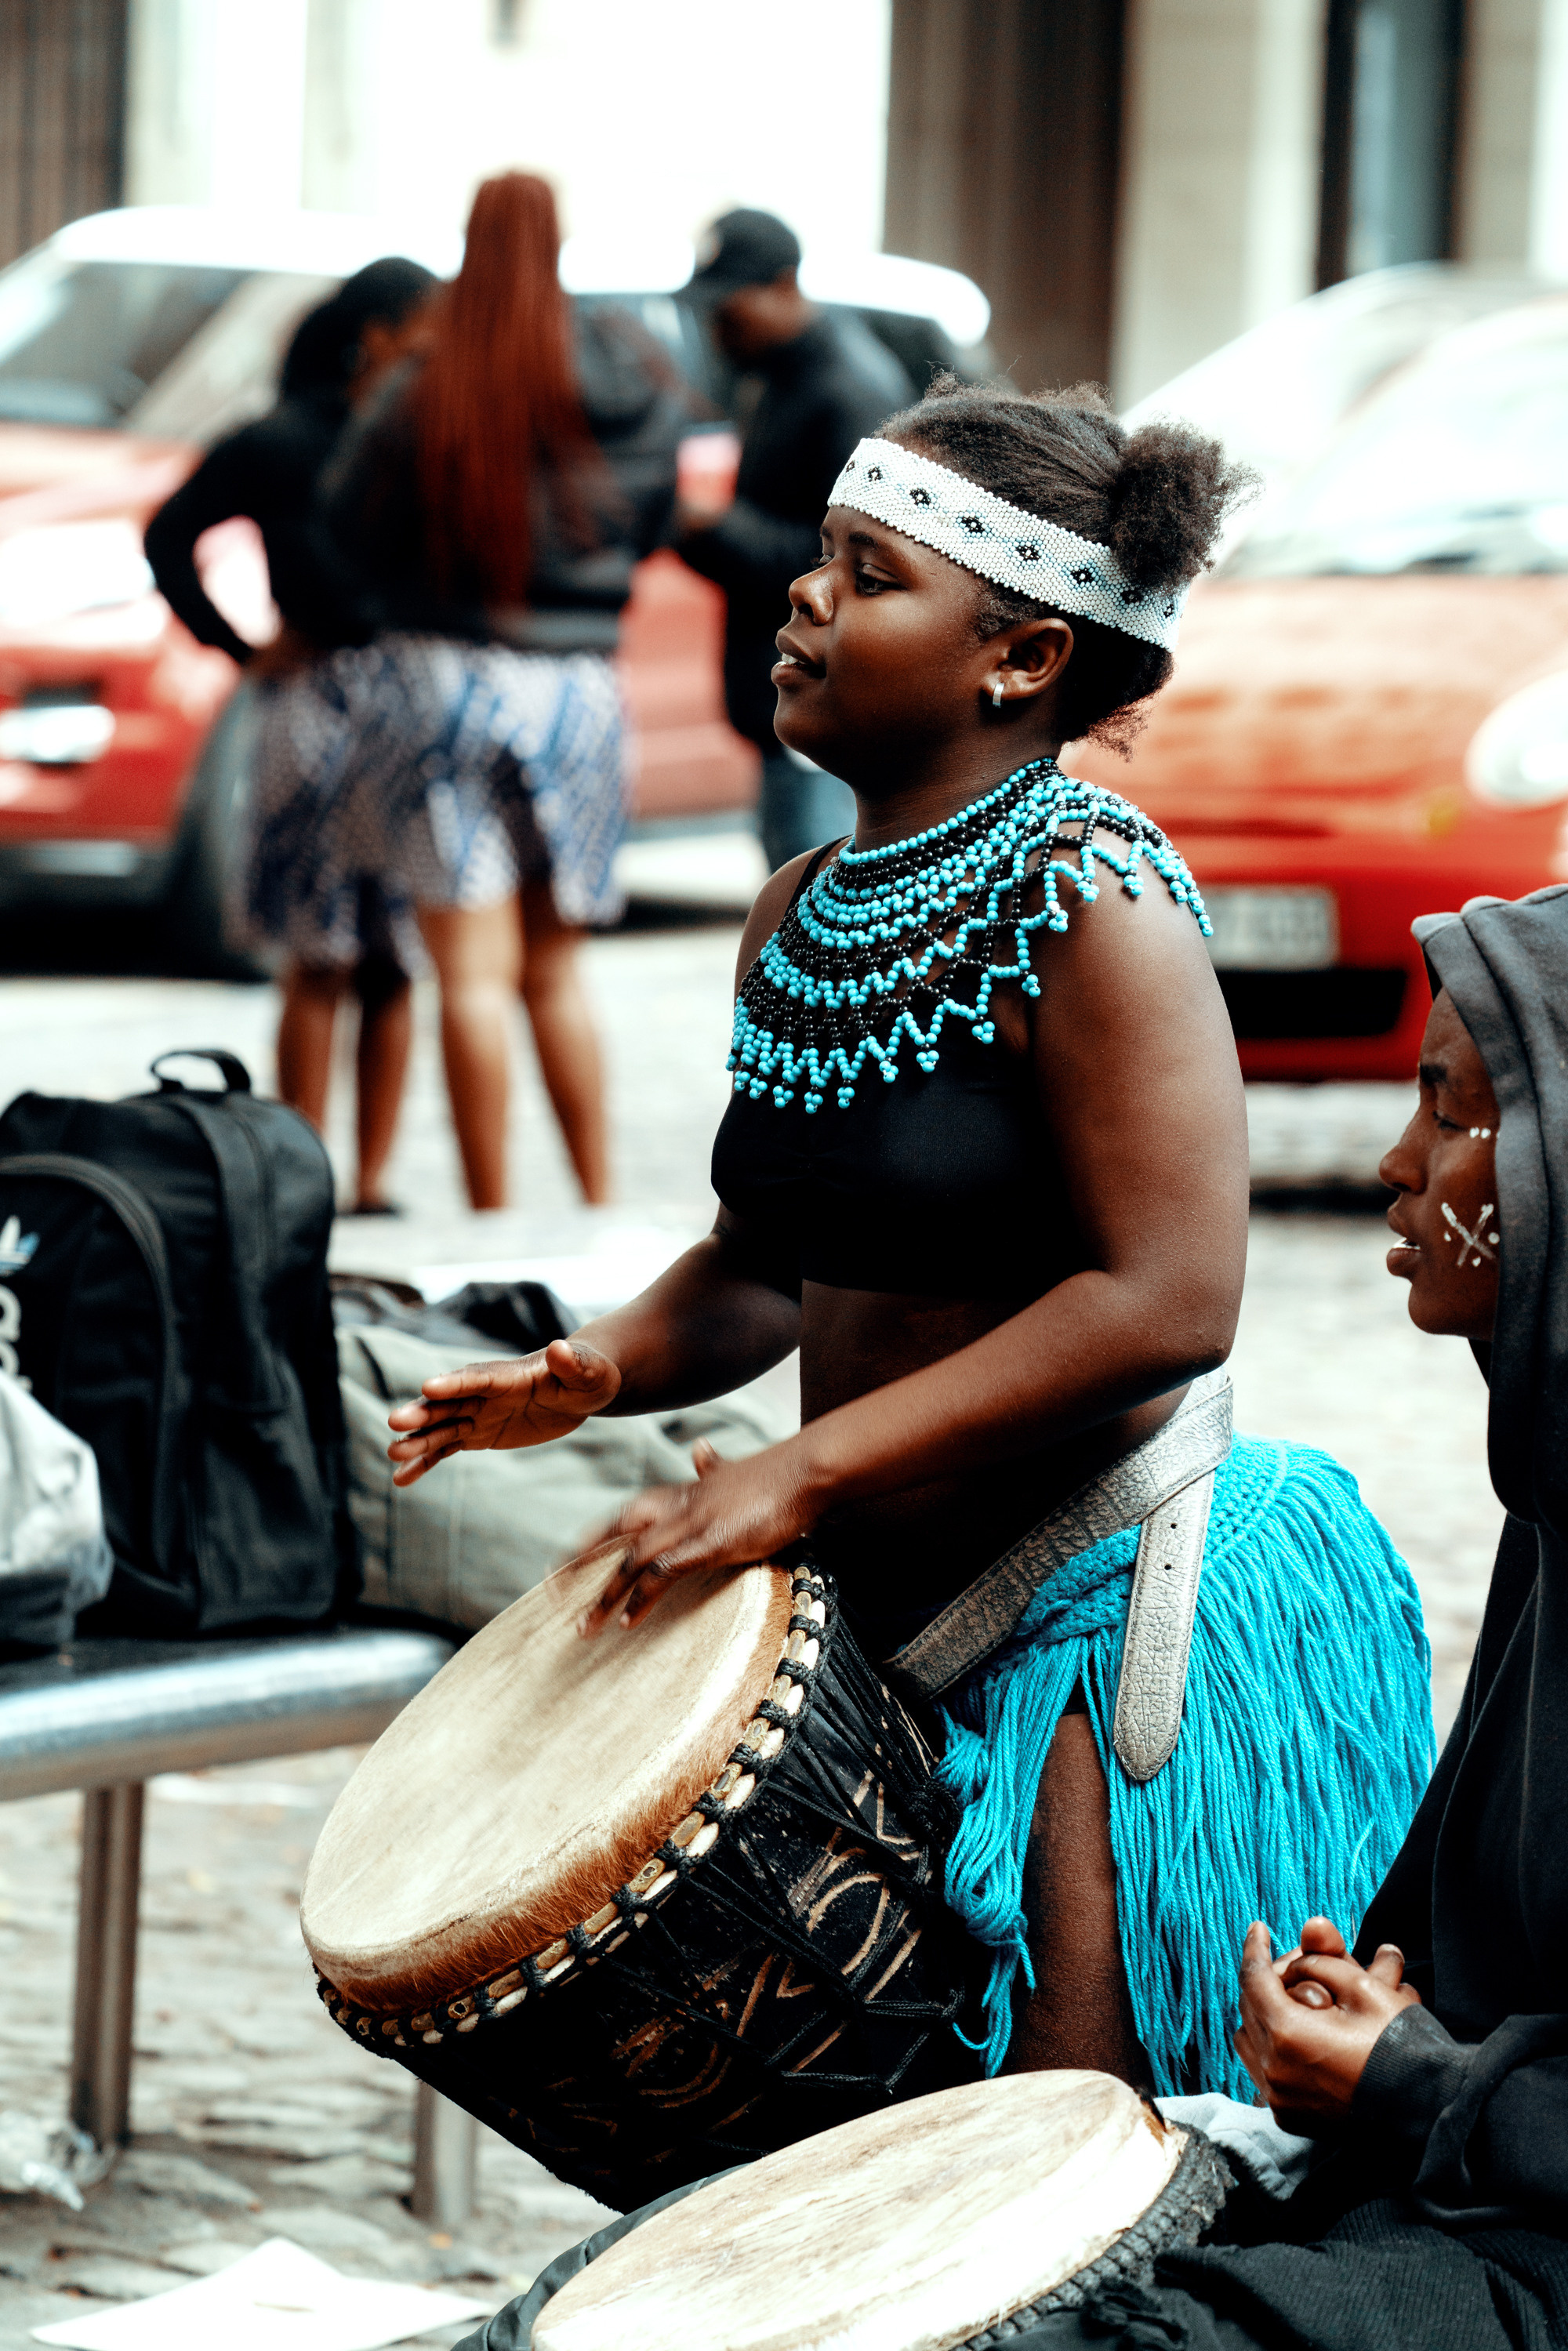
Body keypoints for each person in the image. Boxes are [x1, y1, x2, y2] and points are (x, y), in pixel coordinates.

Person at [384, 378, 1433, 2105]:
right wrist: (598, 1368)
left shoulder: (1092, 894)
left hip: (1102, 1598)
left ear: (1015, 658)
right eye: (817, 559)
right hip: (887, 1605)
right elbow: (764, 1258)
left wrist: (800, 1474)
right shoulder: (799, 911)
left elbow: (1169, 1292)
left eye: (868, 575)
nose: (802, 596)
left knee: (1066, 2150)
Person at [263, 172, 684, 1210]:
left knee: (473, 978)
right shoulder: (637, 370)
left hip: (441, 675)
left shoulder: (427, 378)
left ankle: (492, 1209)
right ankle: (595, 1203)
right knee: (555, 973)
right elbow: (660, 512)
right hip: (581, 685)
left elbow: (345, 517)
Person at [145, 258, 437, 1214]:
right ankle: (310, 1170)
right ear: (380, 332)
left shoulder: (422, 433)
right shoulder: (285, 437)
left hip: (404, 698)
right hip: (313, 694)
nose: (439, 341)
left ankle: (374, 1178)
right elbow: (168, 532)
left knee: (392, 951)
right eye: (424, 324)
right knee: (323, 950)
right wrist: (237, 646)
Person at [676, 208, 912, 871]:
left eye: (730, 308)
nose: (717, 329)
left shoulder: (847, 389)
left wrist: (710, 527)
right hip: (791, 707)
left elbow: (855, 568)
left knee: (820, 932)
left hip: (826, 715)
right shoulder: (780, 376)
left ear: (784, 286)